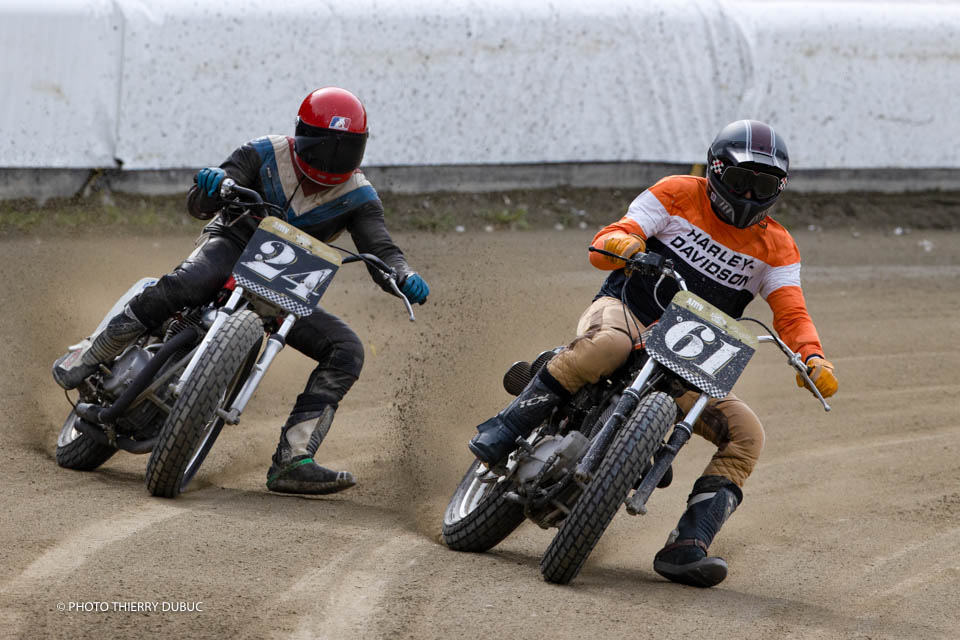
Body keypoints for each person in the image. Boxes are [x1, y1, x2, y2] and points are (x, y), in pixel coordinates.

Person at [468, 120, 838, 587]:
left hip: (687, 359)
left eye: (761, 185)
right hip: (626, 311)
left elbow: (792, 314)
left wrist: (812, 357)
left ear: (778, 190)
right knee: (610, 345)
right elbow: (614, 236)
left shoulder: (778, 247)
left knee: (747, 436)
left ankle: (688, 544)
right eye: (741, 179)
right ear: (716, 170)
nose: (748, 195)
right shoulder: (677, 192)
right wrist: (625, 244)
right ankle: (507, 426)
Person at [53, 87, 430, 495]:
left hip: (288, 284)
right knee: (188, 283)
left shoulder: (360, 196)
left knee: (347, 349)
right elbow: (199, 204)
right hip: (231, 245)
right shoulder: (263, 152)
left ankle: (293, 458)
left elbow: (382, 250)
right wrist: (212, 186)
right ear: (303, 135)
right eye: (325, 145)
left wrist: (402, 274)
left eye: (345, 147)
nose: (332, 157)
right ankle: (92, 353)